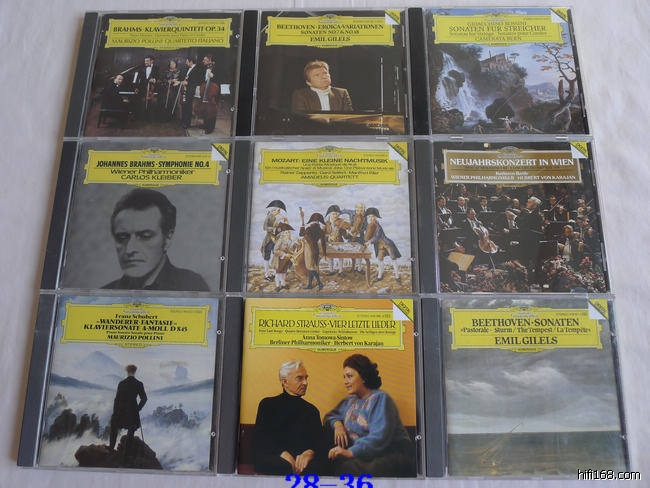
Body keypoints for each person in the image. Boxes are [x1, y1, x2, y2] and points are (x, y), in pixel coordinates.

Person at [324, 354, 415, 477]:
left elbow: (379, 437)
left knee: (348, 467)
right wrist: (338, 425)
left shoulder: (380, 399)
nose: (345, 382)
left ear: (363, 377)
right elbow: (330, 416)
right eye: (344, 377)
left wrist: (350, 452)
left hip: (391, 454)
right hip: (366, 454)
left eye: (349, 376)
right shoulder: (350, 401)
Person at [103, 188, 209, 291]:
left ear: (167, 239)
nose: (129, 249)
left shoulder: (192, 286)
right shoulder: (104, 293)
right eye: (122, 237)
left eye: (145, 236)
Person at [253, 360, 325, 475]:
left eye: (306, 378)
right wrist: (282, 453)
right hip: (275, 457)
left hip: (303, 462)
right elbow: (261, 439)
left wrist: (310, 453)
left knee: (322, 465)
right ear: (285, 382)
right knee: (282, 466)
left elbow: (319, 443)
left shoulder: (312, 410)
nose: (305, 383)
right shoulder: (267, 405)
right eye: (300, 378)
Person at [109, 364, 147, 452]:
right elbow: (144, 398)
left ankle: (111, 448)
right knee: (131, 430)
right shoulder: (138, 383)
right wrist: (138, 408)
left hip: (121, 411)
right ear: (135, 372)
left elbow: (117, 399)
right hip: (132, 411)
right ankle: (127, 453)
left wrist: (115, 412)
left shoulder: (121, 383)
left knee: (114, 427)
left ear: (127, 371)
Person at [364, 207, 402, 283]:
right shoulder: (370, 225)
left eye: (372, 216)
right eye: (369, 216)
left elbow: (377, 236)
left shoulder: (378, 226)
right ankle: (379, 276)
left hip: (387, 244)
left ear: (376, 217)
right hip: (379, 246)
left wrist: (369, 242)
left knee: (393, 259)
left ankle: (397, 277)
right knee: (380, 260)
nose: (371, 218)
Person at [298, 208, 327, 290]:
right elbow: (323, 243)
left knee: (311, 267)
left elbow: (301, 234)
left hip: (309, 249)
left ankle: (320, 283)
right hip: (315, 249)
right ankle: (310, 285)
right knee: (312, 267)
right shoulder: (321, 230)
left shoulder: (309, 229)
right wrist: (324, 253)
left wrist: (302, 220)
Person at [178, 56, 204, 130]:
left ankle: (187, 123)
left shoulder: (197, 69)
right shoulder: (188, 68)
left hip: (190, 90)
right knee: (184, 105)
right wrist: (182, 81)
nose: (186, 63)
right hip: (185, 89)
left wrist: (188, 83)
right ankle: (183, 121)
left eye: (187, 62)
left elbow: (197, 81)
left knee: (188, 107)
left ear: (191, 62)